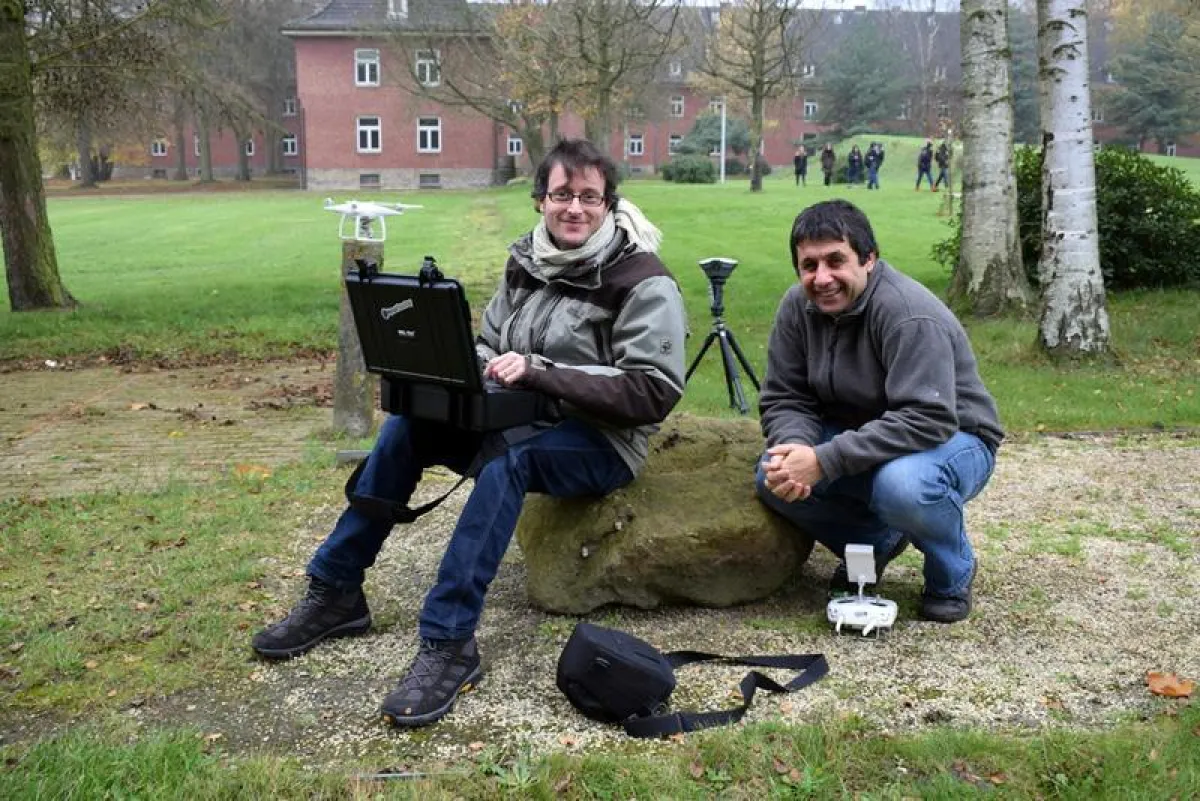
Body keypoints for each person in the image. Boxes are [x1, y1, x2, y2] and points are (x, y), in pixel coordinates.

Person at [251, 139, 688, 726]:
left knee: (509, 461)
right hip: (516, 413)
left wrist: (544, 374)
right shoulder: (526, 262)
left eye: (589, 196)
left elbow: (653, 391)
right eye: (562, 195)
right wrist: (464, 368)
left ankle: (448, 641)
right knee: (409, 423)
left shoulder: (642, 279)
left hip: (602, 440)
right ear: (540, 201)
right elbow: (490, 342)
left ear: (610, 204)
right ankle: (335, 591)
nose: (575, 208)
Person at [755, 199, 1002, 624]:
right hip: (867, 433)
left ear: (869, 258)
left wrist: (826, 459)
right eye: (809, 265)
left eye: (836, 260)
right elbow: (786, 395)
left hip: (953, 438)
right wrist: (795, 446)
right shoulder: (796, 308)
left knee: (902, 486)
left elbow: (927, 418)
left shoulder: (908, 314)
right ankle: (875, 540)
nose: (822, 277)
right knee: (772, 475)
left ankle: (952, 571)